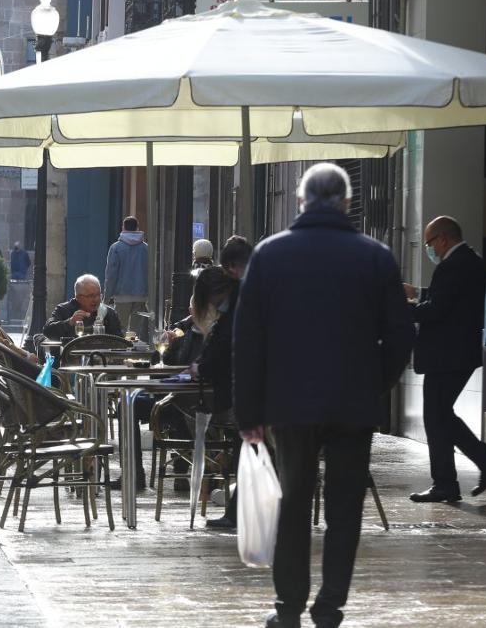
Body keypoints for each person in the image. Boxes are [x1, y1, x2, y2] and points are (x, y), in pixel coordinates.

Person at [233, 163, 413, 628]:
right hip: (353, 404)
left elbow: (248, 341)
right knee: (345, 507)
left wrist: (249, 410)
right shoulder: (375, 256)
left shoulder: (270, 256)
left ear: (300, 202)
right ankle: (330, 606)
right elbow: (399, 337)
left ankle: (287, 608)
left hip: (290, 405)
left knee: (293, 504)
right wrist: (374, 384)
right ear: (347, 203)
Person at [405, 215, 486, 503]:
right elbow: (449, 300)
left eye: (429, 244)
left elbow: (437, 310)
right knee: (440, 416)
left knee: (436, 416)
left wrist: (404, 308)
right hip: (454, 354)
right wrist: (419, 294)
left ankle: (450, 481)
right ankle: (480, 465)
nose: (430, 250)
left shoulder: (455, 264)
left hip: (447, 355)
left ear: (443, 238)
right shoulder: (468, 261)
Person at [186, 266, 242, 529]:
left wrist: (201, 368)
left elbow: (221, 353)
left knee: (249, 452)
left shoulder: (231, 315)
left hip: (240, 394)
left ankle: (238, 512)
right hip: (245, 393)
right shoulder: (236, 308)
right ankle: (237, 511)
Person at [104, 216, 148, 336]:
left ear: (123, 228)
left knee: (120, 329)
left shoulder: (116, 248)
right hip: (141, 296)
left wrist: (106, 298)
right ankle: (134, 354)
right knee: (135, 332)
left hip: (121, 295)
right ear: (137, 228)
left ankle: (121, 353)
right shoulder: (146, 248)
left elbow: (111, 275)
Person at [43, 274, 123, 339]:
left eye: (98, 295)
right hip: (71, 355)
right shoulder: (64, 309)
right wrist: (70, 322)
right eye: (91, 296)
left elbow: (119, 339)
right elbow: (47, 331)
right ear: (78, 297)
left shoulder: (108, 313)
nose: (96, 299)